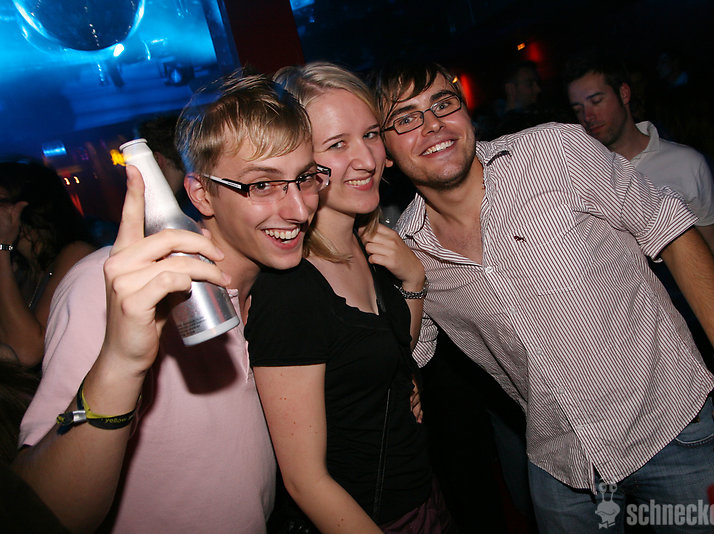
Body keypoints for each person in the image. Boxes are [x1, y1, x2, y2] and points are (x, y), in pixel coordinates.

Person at [371, 61, 714, 533]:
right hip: (564, 470)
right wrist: (408, 283)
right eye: (406, 118)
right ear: (386, 152)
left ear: (465, 112)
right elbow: (409, 356)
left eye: (443, 104)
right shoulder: (411, 249)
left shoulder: (555, 151)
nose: (433, 125)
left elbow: (673, 231)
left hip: (675, 430)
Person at [12, 70, 323, 533]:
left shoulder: (280, 288)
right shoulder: (114, 284)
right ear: (201, 193)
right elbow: (40, 514)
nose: (299, 209)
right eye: (262, 185)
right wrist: (120, 361)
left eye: (305, 178)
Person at [245, 61, 454, 534]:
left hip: (420, 492)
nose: (367, 160)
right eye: (337, 144)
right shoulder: (290, 289)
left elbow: (390, 355)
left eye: (371, 135)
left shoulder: (369, 245)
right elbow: (305, 481)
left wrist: (413, 279)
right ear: (297, 160)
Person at [564, 51, 714, 357]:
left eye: (596, 101)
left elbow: (713, 257)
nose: (588, 116)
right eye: (578, 109)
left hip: (694, 330)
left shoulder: (686, 163)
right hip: (627, 342)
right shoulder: (581, 178)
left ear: (624, 93)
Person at [0, 158, 95, 368]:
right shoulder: (22, 271)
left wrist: (2, 247)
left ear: (24, 206)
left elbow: (27, 352)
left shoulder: (76, 254)